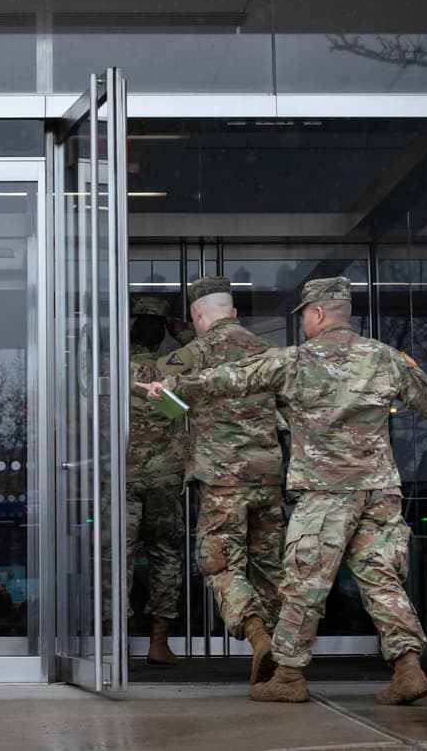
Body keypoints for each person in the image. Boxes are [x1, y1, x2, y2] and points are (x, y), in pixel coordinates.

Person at [140, 277, 427, 705]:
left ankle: (287, 675)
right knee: (381, 578)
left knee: (303, 584)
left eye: (303, 315)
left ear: (317, 314)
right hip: (379, 490)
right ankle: (409, 667)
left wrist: (172, 388)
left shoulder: (295, 361)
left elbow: (231, 379)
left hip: (326, 493)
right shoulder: (385, 357)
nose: (303, 323)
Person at [157, 276, 284, 685]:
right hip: (268, 477)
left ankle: (257, 635)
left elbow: (166, 408)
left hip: (221, 481)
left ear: (197, 314)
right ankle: (285, 660)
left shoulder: (187, 356)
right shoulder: (271, 351)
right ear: (234, 313)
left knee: (220, 563)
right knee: (270, 567)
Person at [125, 294, 189, 664]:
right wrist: (184, 336)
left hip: (123, 479)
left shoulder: (113, 367)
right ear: (161, 330)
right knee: (164, 556)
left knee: (118, 557)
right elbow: (219, 354)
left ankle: (114, 641)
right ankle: (158, 642)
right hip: (165, 478)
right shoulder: (171, 369)